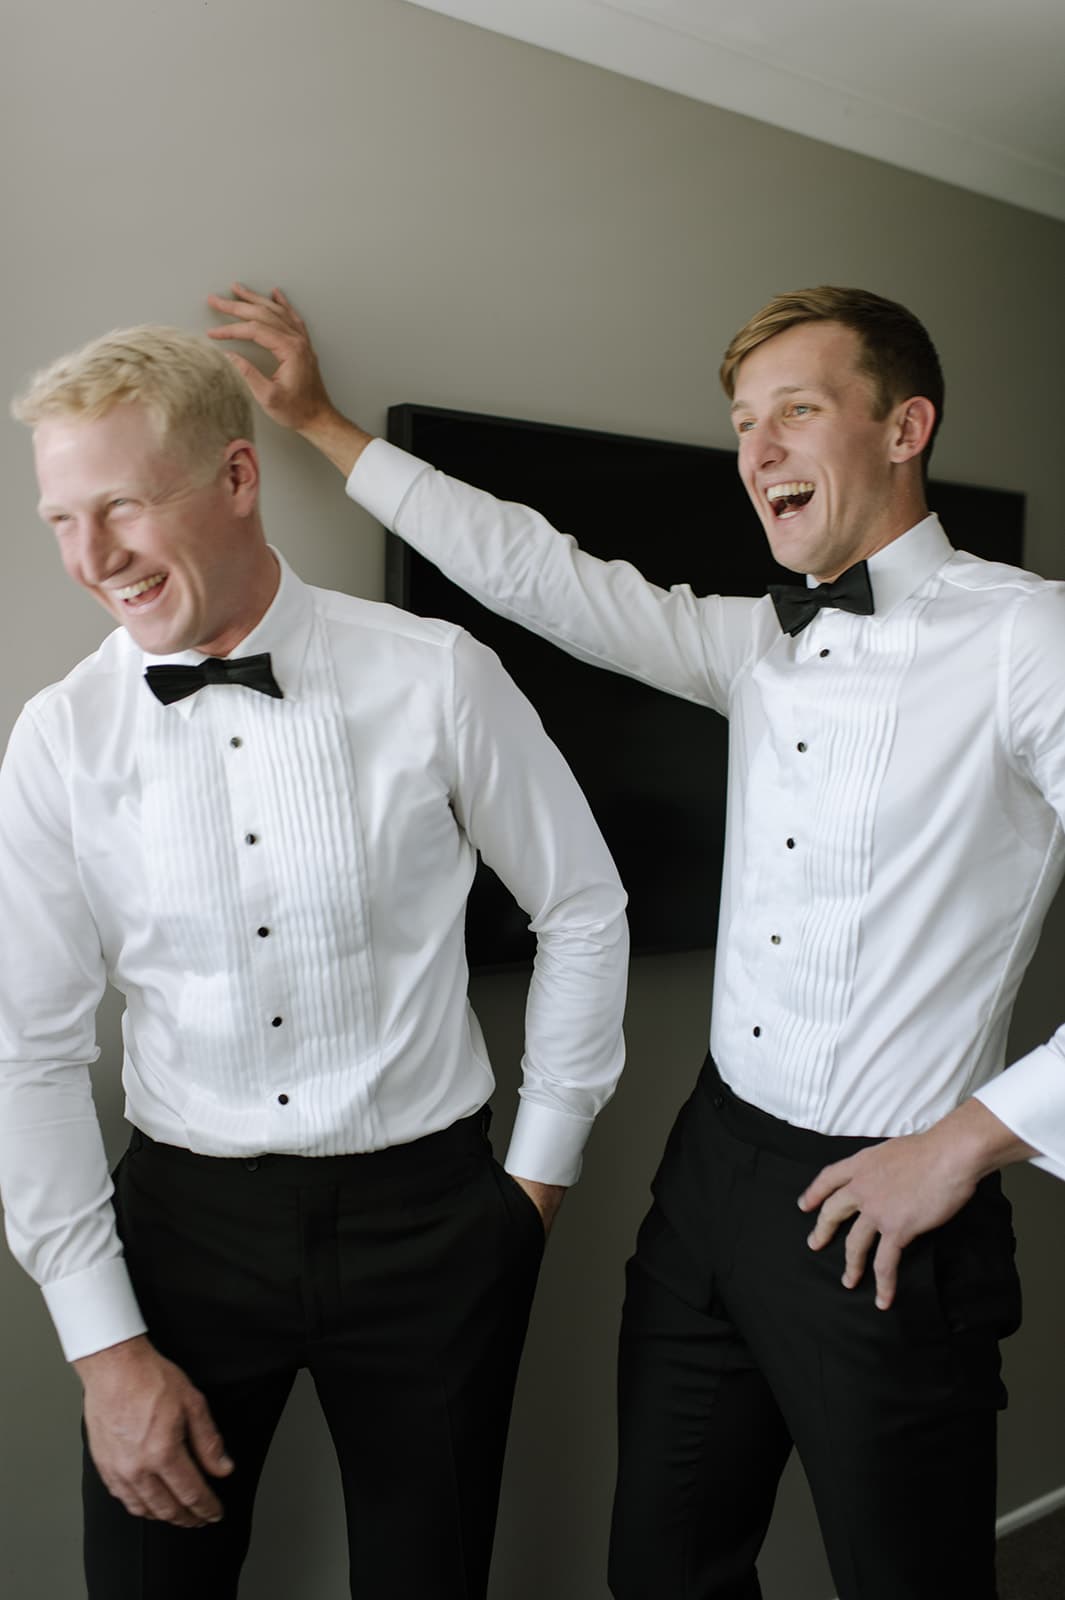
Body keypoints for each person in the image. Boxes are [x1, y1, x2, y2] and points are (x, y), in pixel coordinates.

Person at [206, 280, 1065, 1600]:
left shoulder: (1026, 638)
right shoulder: (752, 649)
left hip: (887, 1210)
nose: (758, 451)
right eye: (740, 425)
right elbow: (535, 573)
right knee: (660, 1569)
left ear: (905, 428)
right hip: (711, 1169)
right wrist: (323, 425)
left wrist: (965, 1142)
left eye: (797, 411)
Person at [0, 323, 629, 1600]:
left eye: (121, 506)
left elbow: (583, 905)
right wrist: (102, 1349)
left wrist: (533, 1189)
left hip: (435, 1221)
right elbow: (30, 1047)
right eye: (62, 518)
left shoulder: (436, 674)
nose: (92, 558)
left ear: (238, 476)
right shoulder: (59, 739)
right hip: (182, 1238)